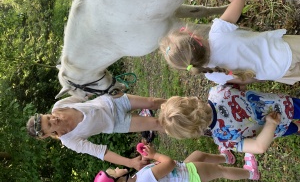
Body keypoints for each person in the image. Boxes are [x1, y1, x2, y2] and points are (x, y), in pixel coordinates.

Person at [159, 0, 300, 86]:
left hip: (279, 72)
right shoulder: (218, 32)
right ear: (195, 37)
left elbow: (245, 79)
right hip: (286, 50)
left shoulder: (212, 74)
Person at [26, 93, 166, 170]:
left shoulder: (59, 106)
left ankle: (184, 103)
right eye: (50, 125)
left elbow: (83, 94)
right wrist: (130, 163)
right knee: (157, 123)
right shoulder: (69, 140)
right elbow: (100, 152)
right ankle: (186, 126)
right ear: (45, 135)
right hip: (117, 123)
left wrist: (107, 85)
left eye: (48, 117)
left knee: (152, 102)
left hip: (112, 101)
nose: (54, 119)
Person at [158, 84, 300, 154]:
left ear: (192, 132)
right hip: (283, 105)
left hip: (277, 127)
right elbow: (241, 83)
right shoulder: (217, 91)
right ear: (190, 100)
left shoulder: (223, 139)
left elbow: (259, 147)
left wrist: (271, 124)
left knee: (295, 128)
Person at [94, 145, 260, 182]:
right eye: (112, 172)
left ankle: (227, 157)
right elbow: (170, 163)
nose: (115, 168)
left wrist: (148, 160)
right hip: (188, 174)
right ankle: (251, 173)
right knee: (220, 171)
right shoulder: (144, 178)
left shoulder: (139, 177)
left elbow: (159, 170)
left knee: (198, 154)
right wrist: (154, 154)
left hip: (183, 171)